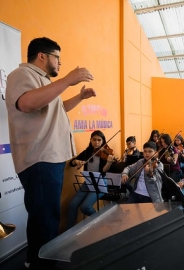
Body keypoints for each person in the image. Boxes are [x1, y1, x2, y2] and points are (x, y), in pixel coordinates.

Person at [5, 37, 96, 268]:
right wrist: (67, 80)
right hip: (39, 159)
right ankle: (40, 264)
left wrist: (80, 97)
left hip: (49, 159)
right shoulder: (22, 75)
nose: (60, 64)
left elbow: (56, 109)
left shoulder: (44, 82)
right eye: (57, 57)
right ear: (42, 56)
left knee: (45, 218)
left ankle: (34, 262)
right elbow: (26, 104)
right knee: (45, 220)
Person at [66, 130, 114, 229]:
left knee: (85, 207)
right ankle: (69, 232)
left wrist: (109, 163)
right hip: (88, 182)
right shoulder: (87, 152)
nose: (96, 142)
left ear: (103, 141)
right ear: (91, 140)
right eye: (94, 140)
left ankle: (100, 222)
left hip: (101, 183)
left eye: (99, 140)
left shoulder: (106, 153)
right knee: (72, 205)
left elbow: (103, 171)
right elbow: (71, 163)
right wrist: (77, 161)